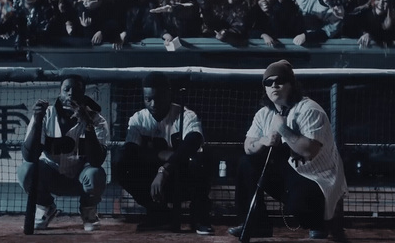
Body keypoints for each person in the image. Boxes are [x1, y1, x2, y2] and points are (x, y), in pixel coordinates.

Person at [228, 60, 347, 240]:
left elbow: (309, 152)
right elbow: (248, 147)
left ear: (291, 84)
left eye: (280, 80)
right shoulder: (263, 114)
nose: (274, 85)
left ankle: (320, 223)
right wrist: (264, 141)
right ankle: (257, 224)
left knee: (299, 206)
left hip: (317, 178)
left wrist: (283, 129)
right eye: (268, 82)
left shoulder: (309, 109)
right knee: (247, 163)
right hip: (291, 173)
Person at [115, 71, 214, 235]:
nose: (153, 104)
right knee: (122, 164)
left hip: (182, 176)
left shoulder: (185, 115)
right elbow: (130, 151)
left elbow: (194, 140)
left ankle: (199, 217)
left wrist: (165, 169)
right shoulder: (138, 119)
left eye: (158, 98)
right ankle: (159, 214)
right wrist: (160, 155)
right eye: (148, 99)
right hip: (153, 180)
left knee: (201, 161)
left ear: (168, 94)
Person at [17, 75, 109, 231]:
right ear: (60, 92)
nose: (71, 94)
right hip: (51, 175)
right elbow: (29, 156)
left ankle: (88, 210)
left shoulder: (97, 120)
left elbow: (97, 160)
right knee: (25, 171)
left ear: (84, 94)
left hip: (81, 179)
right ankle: (46, 207)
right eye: (66, 90)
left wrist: (87, 124)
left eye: (76, 90)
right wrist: (37, 121)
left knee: (95, 173)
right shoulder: (46, 114)